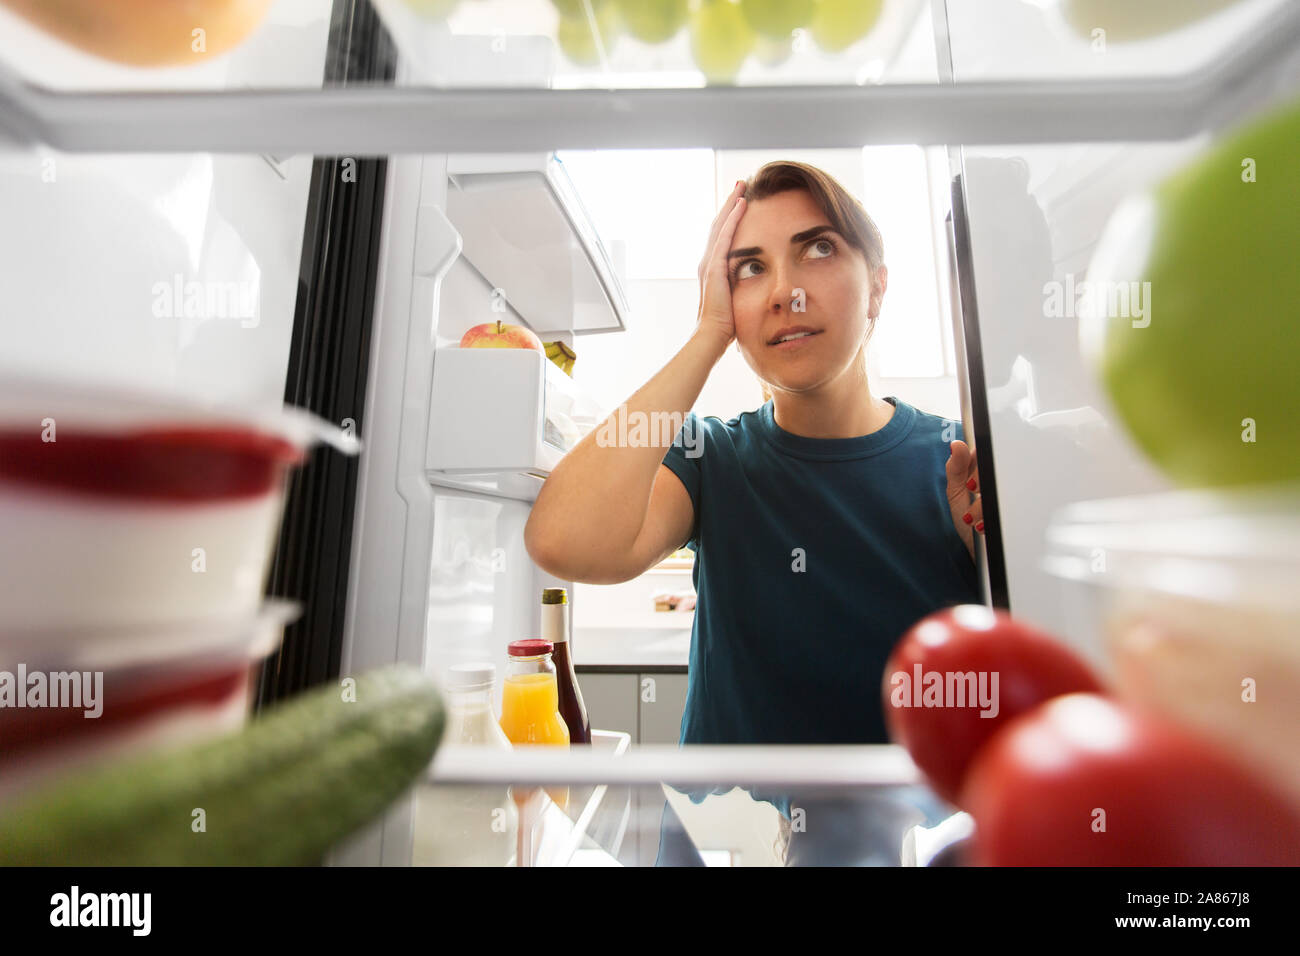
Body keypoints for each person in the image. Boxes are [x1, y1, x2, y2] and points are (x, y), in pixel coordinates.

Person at [525, 161, 985, 865]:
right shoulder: (711, 457)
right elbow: (563, 540)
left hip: (900, 847)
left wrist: (986, 552)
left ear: (878, 286)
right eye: (749, 269)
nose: (785, 291)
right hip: (721, 848)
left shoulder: (956, 463)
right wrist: (707, 334)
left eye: (818, 248)